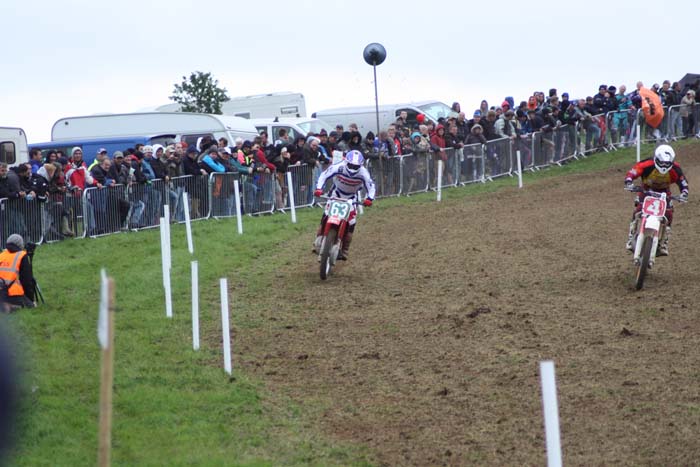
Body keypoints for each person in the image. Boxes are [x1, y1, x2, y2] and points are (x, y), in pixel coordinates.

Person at [624, 144, 688, 255]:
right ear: (656, 159)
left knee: (669, 214)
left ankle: (664, 242)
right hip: (646, 190)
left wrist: (684, 192)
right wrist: (629, 181)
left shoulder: (675, 169)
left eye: (667, 163)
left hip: (664, 193)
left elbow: (682, 181)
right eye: (662, 162)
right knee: (638, 210)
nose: (664, 165)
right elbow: (634, 171)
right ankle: (631, 236)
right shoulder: (647, 164)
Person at [312, 150, 376, 261]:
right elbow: (324, 175)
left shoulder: (363, 173)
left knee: (351, 224)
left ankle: (345, 249)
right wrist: (319, 188)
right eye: (351, 165)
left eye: (355, 166)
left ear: (360, 165)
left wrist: (369, 199)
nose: (352, 168)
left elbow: (371, 186)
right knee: (326, 215)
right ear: (346, 162)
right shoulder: (339, 167)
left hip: (351, 198)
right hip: (335, 194)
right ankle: (319, 238)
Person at [0, 234, 35, 310]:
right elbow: (26, 281)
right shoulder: (21, 256)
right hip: (12, 293)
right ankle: (10, 307)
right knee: (30, 306)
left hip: (1, 291)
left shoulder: (2, 255)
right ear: (20, 245)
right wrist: (30, 300)